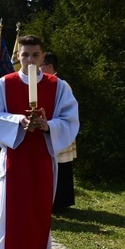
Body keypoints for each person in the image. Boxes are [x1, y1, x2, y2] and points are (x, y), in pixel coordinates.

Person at [0, 35, 79, 249]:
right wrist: (18, 120)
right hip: (15, 157)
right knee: (15, 219)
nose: (30, 60)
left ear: (43, 56)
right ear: (18, 57)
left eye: (35, 55)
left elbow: (70, 119)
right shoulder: (4, 84)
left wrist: (48, 125)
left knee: (37, 218)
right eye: (25, 55)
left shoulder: (58, 86)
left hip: (43, 159)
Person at [41, 52, 77, 211]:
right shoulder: (44, 84)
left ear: (49, 66)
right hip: (49, 129)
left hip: (59, 129)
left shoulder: (62, 84)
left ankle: (61, 202)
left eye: (41, 65)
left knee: (62, 166)